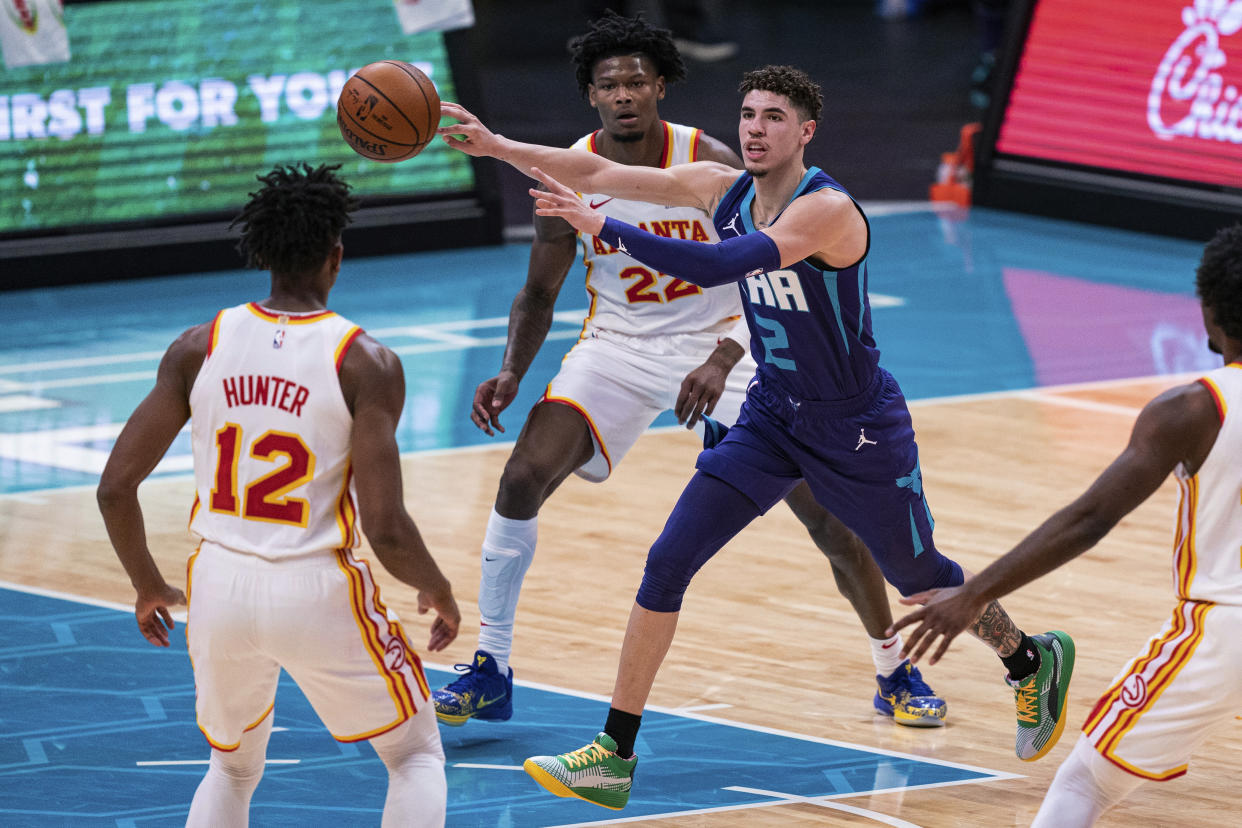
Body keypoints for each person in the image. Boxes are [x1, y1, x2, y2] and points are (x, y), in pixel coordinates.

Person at [437, 64, 1073, 810]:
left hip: (857, 429)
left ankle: (1029, 659)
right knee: (667, 561)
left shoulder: (825, 212)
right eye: (747, 114)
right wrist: (498, 144)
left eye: (774, 117)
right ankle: (613, 753)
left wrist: (603, 225)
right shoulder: (721, 186)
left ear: (805, 132)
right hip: (772, 415)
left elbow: (718, 262)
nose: (755, 128)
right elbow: (602, 168)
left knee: (923, 578)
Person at [431, 12, 947, 736]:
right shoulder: (571, 169)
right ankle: (491, 666)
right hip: (617, 347)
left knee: (829, 522)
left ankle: (893, 666)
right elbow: (542, 287)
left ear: (661, 87)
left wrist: (724, 355)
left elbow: (760, 276)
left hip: (723, 344)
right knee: (521, 476)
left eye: (636, 80)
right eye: (609, 84)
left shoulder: (707, 160)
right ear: (590, 96)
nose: (624, 95)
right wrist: (513, 368)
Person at [96, 163, 460, 827]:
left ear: (260, 252)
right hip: (315, 585)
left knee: (231, 768)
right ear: (337, 256)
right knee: (415, 753)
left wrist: (148, 586)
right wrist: (436, 585)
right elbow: (386, 526)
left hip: (218, 588)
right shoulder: (364, 361)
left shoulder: (197, 345)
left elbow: (116, 487)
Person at [888, 223, 1242, 826]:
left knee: (1084, 783)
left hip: (1224, 626)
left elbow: (1090, 519)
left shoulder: (1194, 408)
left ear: (1208, 310)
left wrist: (975, 592)